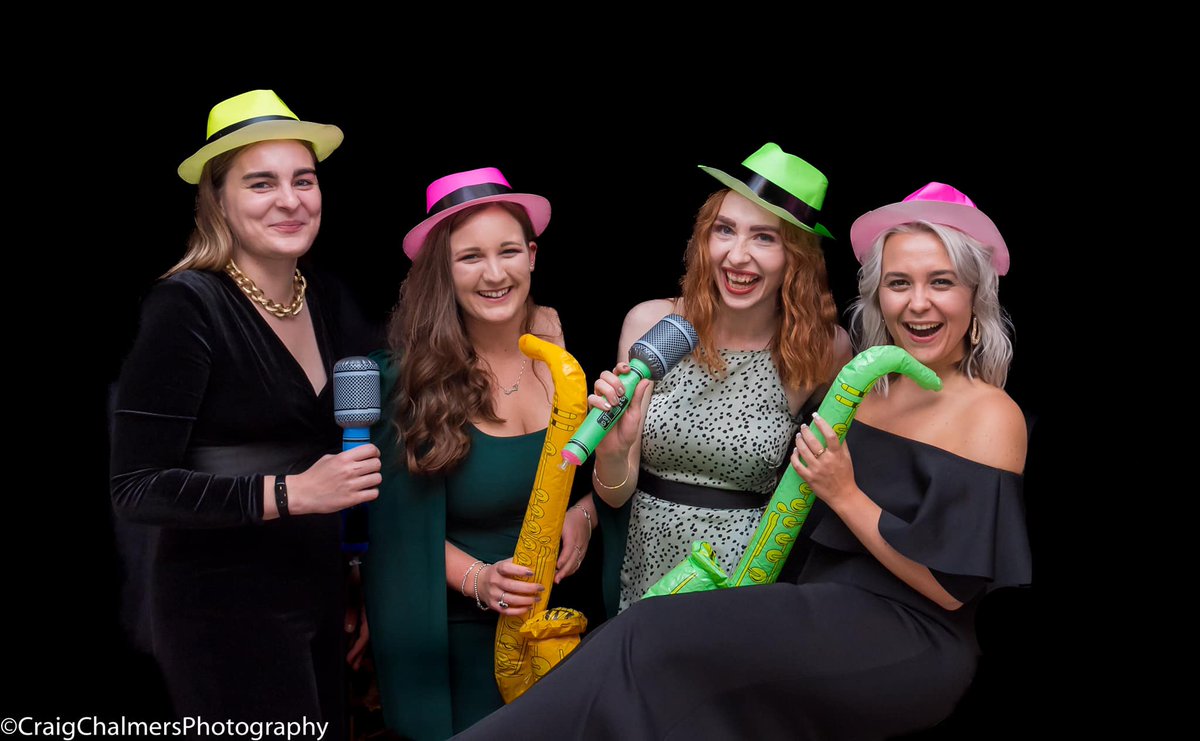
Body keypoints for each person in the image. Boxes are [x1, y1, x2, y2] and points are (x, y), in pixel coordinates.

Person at [451, 181, 1032, 740]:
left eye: (942, 282)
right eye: (900, 282)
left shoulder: (991, 414)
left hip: (903, 632)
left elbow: (954, 588)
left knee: (647, 638)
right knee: (657, 678)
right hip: (810, 603)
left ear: (975, 295)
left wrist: (845, 494)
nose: (919, 302)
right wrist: (611, 456)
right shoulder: (874, 388)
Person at [109, 89, 380, 739]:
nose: (290, 199)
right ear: (219, 199)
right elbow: (136, 486)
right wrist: (292, 491)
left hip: (315, 594)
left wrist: (350, 578)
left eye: (303, 179)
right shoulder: (187, 307)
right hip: (221, 609)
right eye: (261, 183)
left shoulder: (323, 300)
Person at [363, 167, 597, 738]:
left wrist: (585, 515)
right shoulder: (403, 381)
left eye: (509, 251)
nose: (495, 274)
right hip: (456, 642)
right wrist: (481, 579)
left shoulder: (564, 357)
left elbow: (596, 479)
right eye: (470, 257)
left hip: (561, 640)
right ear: (442, 271)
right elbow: (395, 529)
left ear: (533, 256)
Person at [589, 143, 851, 612]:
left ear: (796, 257)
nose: (737, 254)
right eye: (724, 230)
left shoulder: (824, 348)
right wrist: (613, 449)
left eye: (765, 238)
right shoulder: (650, 323)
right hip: (644, 563)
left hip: (745, 578)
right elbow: (616, 494)